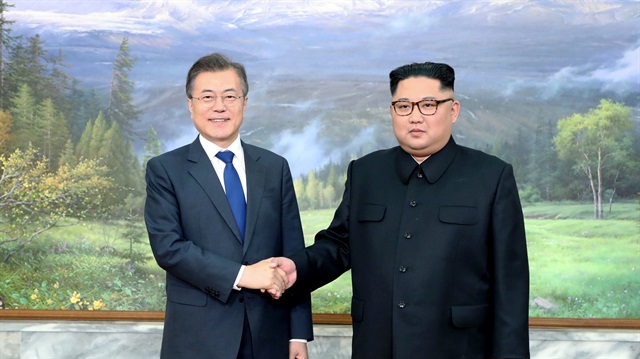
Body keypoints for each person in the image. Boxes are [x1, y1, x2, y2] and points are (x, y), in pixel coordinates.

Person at [273, 61, 530, 358]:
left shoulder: (491, 176)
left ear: (453, 110)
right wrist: (297, 269)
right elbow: (340, 245)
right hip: (377, 346)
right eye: (404, 106)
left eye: (429, 105)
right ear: (393, 111)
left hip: (458, 349)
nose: (415, 117)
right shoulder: (366, 171)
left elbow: (510, 288)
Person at [144, 53, 313, 359]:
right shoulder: (166, 169)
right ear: (190, 104)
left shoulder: (274, 167)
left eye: (230, 96)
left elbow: (294, 253)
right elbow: (169, 248)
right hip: (198, 337)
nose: (219, 106)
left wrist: (298, 334)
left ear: (244, 103)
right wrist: (243, 274)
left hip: (269, 334)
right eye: (207, 96)